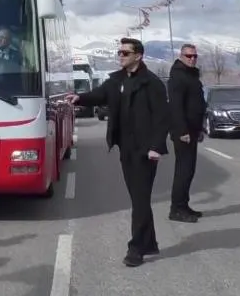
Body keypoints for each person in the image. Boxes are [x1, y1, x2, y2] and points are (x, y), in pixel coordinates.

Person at [64, 38, 169, 267]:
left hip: (145, 150)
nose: (120, 56)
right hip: (126, 148)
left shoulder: (152, 84)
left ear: (138, 56)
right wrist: (80, 97)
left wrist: (156, 147)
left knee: (140, 199)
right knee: (138, 198)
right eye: (119, 52)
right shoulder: (116, 80)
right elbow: (99, 94)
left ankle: (136, 248)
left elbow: (162, 118)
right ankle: (149, 242)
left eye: (125, 53)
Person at [166, 43, 206, 222]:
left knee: (189, 170)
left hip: (192, 129)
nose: (192, 59)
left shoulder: (192, 76)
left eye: (195, 56)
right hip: (183, 132)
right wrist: (182, 130)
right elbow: (175, 106)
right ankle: (176, 209)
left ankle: (184, 205)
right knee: (183, 170)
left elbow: (197, 104)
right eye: (188, 56)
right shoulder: (178, 76)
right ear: (181, 56)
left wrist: (200, 129)